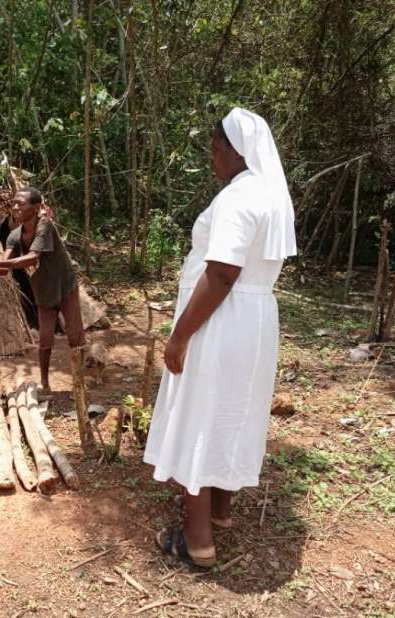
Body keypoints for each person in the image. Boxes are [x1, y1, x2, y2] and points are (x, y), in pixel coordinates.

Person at [144, 108, 297, 567]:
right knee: (235, 408)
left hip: (220, 319)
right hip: (254, 321)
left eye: (216, 149)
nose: (212, 159)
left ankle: (198, 541)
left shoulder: (238, 196)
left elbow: (223, 273)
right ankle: (221, 510)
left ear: (238, 150)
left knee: (198, 415)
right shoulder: (272, 196)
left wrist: (179, 336)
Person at [0, 187, 84, 392]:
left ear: (36, 207)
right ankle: (45, 383)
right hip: (44, 292)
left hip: (65, 286)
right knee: (45, 340)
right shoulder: (14, 236)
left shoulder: (45, 226)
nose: (15, 207)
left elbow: (32, 258)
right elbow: (3, 270)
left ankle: (80, 381)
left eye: (21, 203)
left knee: (75, 336)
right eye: (14, 203)